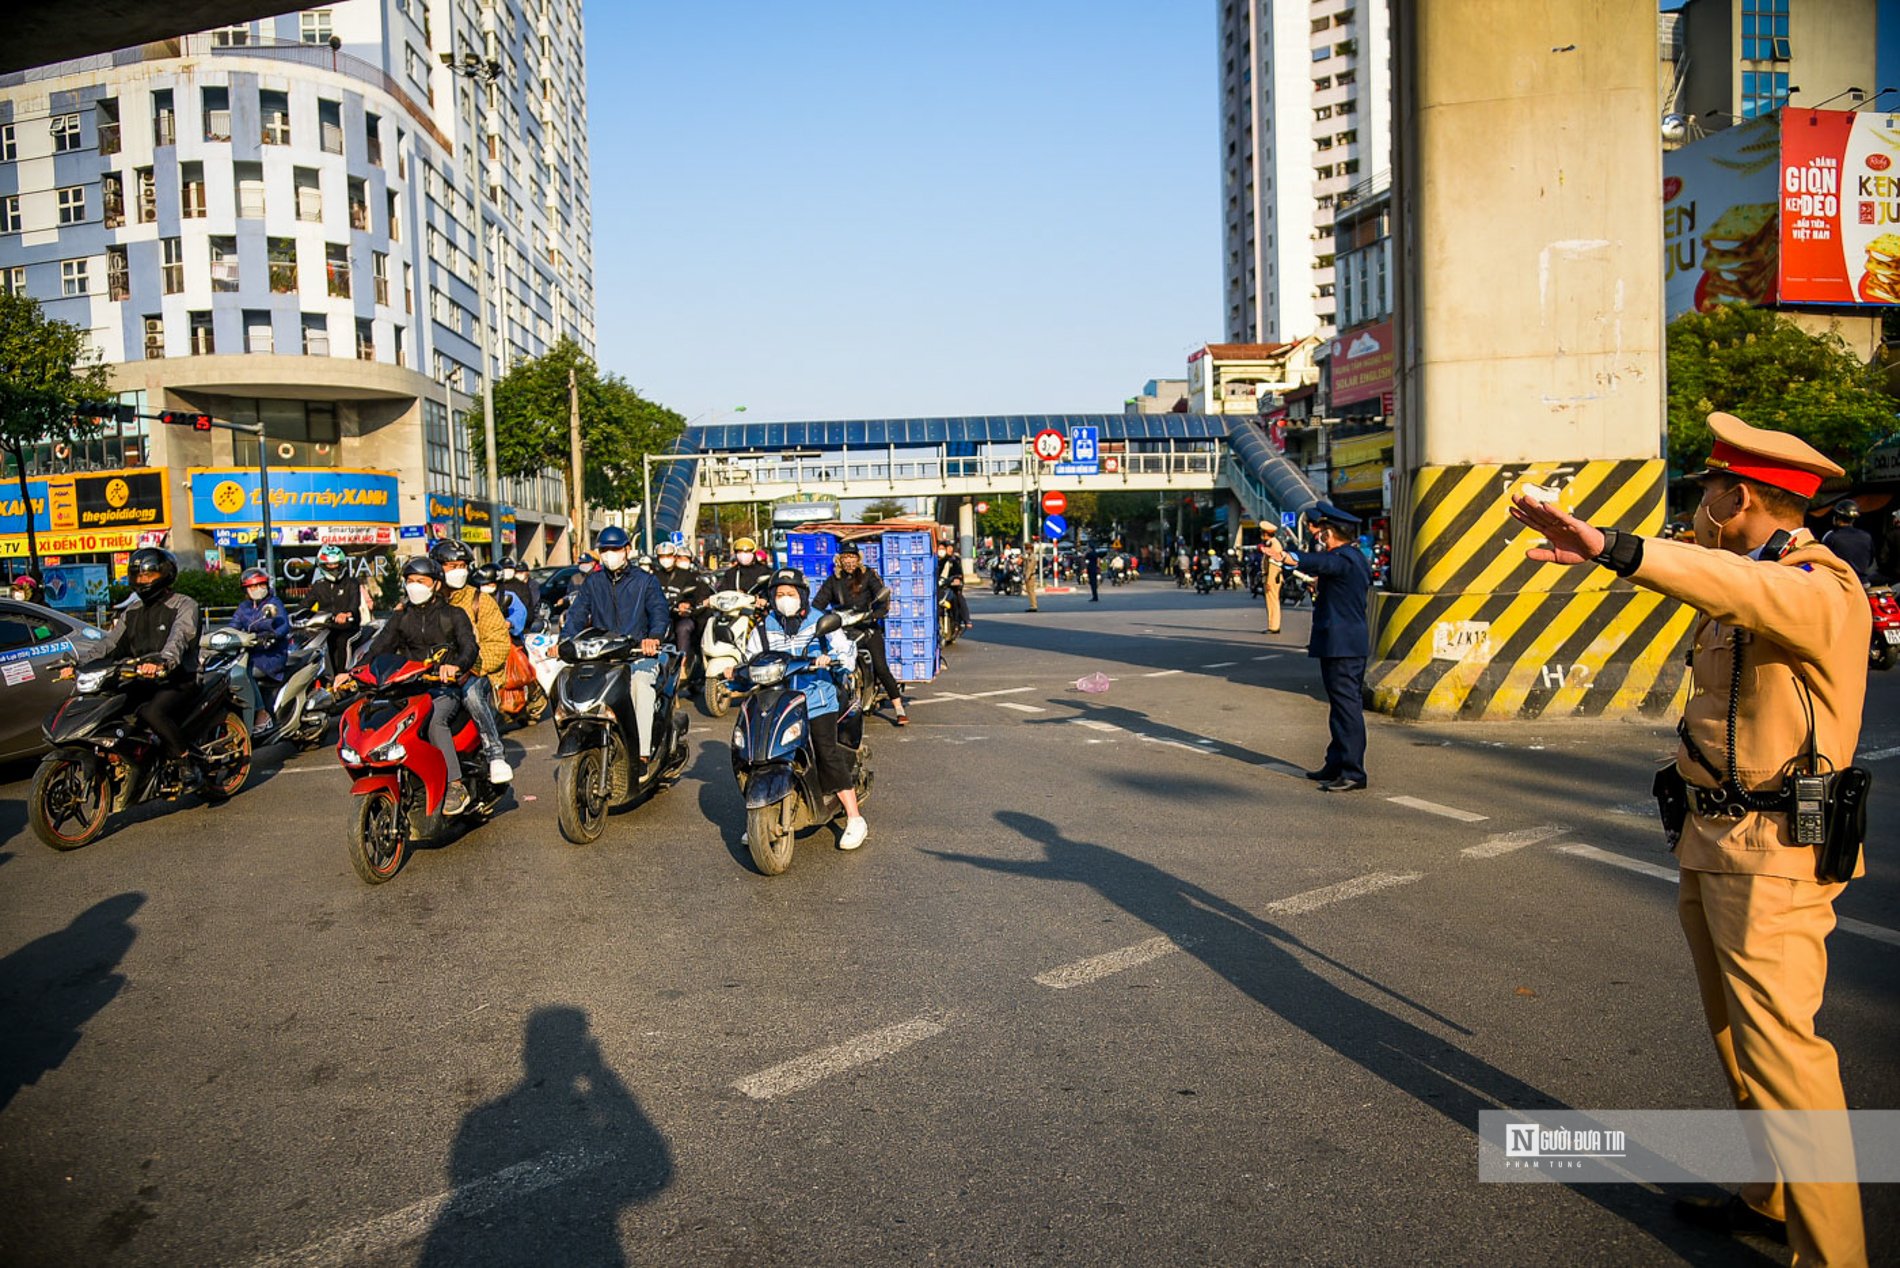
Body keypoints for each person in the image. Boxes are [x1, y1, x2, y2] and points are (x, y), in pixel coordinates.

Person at [1509, 411, 1869, 1266]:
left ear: (1739, 493)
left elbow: (1735, 589)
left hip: (1778, 853)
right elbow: (1717, 585)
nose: (1702, 501)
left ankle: (1834, 1254)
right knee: (1736, 1039)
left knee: (1785, 1055)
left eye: (1709, 486)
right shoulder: (1745, 572)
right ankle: (1769, 1194)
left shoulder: (1821, 587)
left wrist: (1609, 545)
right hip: (1715, 841)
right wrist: (1607, 556)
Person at [737, 569, 867, 850]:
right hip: (776, 700)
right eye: (780, 594)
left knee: (825, 751)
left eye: (791, 594)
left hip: (817, 699)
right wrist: (736, 670)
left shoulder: (820, 621)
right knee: (752, 752)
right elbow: (750, 658)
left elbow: (845, 652)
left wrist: (830, 659)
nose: (785, 599)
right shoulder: (763, 628)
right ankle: (759, 814)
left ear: (802, 596)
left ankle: (855, 818)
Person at [350, 556, 483, 814]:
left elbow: (469, 647)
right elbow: (379, 647)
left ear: (435, 584)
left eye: (420, 581)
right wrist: (355, 671)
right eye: (410, 581)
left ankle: (455, 784)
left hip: (442, 688)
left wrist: (454, 666)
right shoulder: (401, 618)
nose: (414, 586)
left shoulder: (453, 615)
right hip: (406, 688)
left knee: (436, 722)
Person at [1264, 503, 1372, 792]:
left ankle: (1353, 771)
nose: (1320, 536)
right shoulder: (1353, 558)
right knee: (1340, 707)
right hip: (1344, 643)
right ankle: (1335, 763)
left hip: (1342, 645)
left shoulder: (1343, 558)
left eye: (1323, 531)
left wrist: (1287, 556)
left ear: (1330, 532)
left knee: (1347, 708)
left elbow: (1324, 563)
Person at [77, 548, 202, 773]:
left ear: (166, 574)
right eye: (137, 575)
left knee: (151, 712)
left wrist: (163, 662)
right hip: (139, 678)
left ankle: (184, 760)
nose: (142, 581)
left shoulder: (184, 605)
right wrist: (78, 663)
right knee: (108, 707)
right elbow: (109, 644)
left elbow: (180, 638)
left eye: (148, 575)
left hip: (179, 678)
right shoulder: (132, 610)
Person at [561, 525, 671, 764]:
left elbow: (659, 612)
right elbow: (577, 614)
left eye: (615, 548)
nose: (610, 554)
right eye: (605, 549)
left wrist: (654, 638)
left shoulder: (646, 581)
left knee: (640, 686)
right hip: (603, 656)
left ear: (627, 550)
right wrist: (563, 641)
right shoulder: (593, 583)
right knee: (571, 683)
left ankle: (641, 754)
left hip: (638, 655)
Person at [432, 540, 515, 785]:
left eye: (461, 565)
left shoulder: (481, 601)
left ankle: (495, 754)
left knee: (471, 695)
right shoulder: (427, 604)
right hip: (435, 675)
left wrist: (470, 667)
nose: (457, 571)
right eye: (450, 565)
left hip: (479, 673)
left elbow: (499, 644)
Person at [813, 540, 908, 725]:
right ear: (839, 559)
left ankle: (899, 708)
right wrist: (818, 617)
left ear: (859, 558)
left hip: (867, 627)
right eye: (846, 557)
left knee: (881, 667)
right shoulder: (832, 580)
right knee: (830, 664)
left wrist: (875, 615)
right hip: (843, 629)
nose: (849, 561)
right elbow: (818, 604)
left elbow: (882, 598)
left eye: (852, 557)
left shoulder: (869, 575)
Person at [230, 565, 291, 734]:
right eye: (252, 587)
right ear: (246, 589)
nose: (256, 590)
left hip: (271, 655)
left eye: (260, 585)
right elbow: (233, 626)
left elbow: (284, 626)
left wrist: (270, 636)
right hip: (249, 653)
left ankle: (261, 712)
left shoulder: (273, 603)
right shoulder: (244, 608)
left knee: (246, 672)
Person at [300, 544, 373, 683]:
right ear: (322, 566)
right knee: (318, 645)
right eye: (329, 565)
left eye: (336, 565)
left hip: (350, 628)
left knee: (341, 641)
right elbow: (304, 606)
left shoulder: (351, 583)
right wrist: (295, 617)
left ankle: (343, 676)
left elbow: (354, 604)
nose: (333, 568)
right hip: (326, 629)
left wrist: (346, 615)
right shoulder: (318, 586)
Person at [655, 542, 712, 669]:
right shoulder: (654, 577)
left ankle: (683, 665)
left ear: (674, 557)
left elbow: (694, 595)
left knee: (683, 628)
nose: (665, 559)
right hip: (659, 617)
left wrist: (686, 604)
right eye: (662, 556)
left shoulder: (687, 576)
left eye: (669, 555)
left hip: (681, 617)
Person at [1821, 499, 1876, 584]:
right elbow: (1870, 560)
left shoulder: (1830, 537)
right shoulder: (1866, 536)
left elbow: (1823, 561)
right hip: (1863, 583)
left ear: (1837, 516)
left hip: (1840, 583)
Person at [936, 540, 971, 630]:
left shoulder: (955, 560)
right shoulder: (935, 560)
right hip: (938, 587)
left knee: (958, 597)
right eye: (941, 548)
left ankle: (964, 620)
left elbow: (959, 573)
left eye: (950, 547)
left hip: (951, 586)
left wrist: (957, 580)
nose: (948, 549)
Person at [496, 556, 539, 624]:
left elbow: (525, 606)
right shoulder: (496, 585)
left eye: (510, 568)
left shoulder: (521, 586)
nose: (508, 571)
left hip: (519, 624)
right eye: (505, 568)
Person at [1258, 526, 1284, 634]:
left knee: (1272, 602)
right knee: (1271, 601)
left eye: (1262, 532)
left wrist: (1269, 581)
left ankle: (1274, 626)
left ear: (1265, 533)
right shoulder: (1271, 543)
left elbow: (1274, 564)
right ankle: (1273, 625)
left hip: (1273, 577)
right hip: (1271, 576)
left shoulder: (1274, 544)